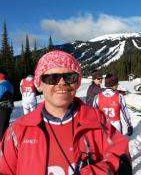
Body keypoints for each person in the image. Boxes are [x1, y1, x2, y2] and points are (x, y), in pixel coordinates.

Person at [0, 50, 132, 175]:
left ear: (78, 83)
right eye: (52, 78)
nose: (62, 83)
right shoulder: (18, 131)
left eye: (70, 77)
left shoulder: (97, 120)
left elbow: (122, 157)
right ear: (39, 84)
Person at [0, 73, 14, 141]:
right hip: (8, 107)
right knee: (5, 125)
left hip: (2, 108)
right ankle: (6, 141)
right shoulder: (9, 85)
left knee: (1, 127)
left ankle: (2, 143)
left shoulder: (2, 85)